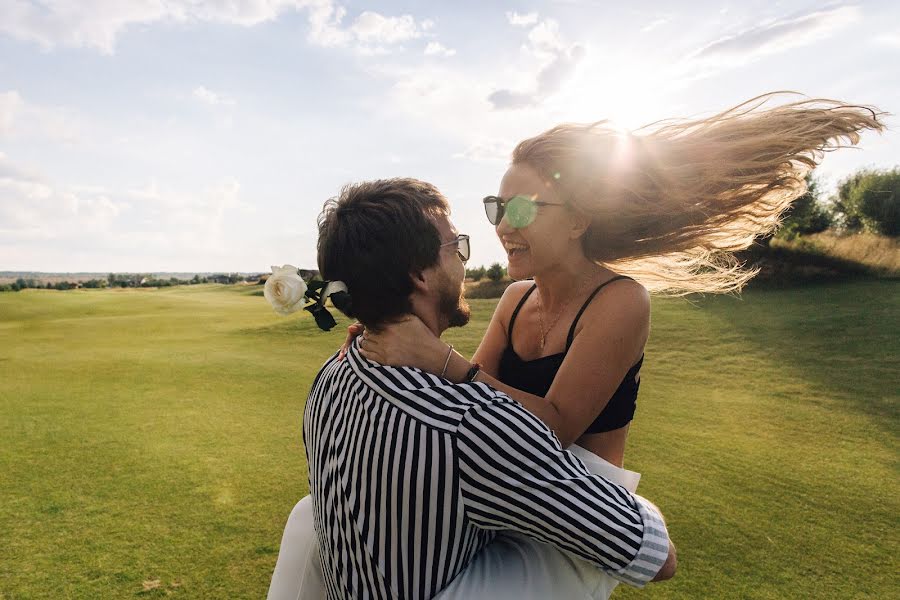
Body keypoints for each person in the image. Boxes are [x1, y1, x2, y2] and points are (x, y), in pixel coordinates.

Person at [352, 93, 885, 470]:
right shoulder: (515, 300)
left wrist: (439, 359)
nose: (502, 225)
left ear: (580, 220)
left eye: (520, 208)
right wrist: (389, 334)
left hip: (588, 516)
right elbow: (473, 400)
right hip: (522, 497)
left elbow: (556, 425)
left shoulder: (621, 302)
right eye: (497, 206)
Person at [268, 178, 676, 599]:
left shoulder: (330, 377)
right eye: (456, 247)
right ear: (418, 275)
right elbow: (656, 557)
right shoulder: (470, 424)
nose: (488, 240)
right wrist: (627, 500)